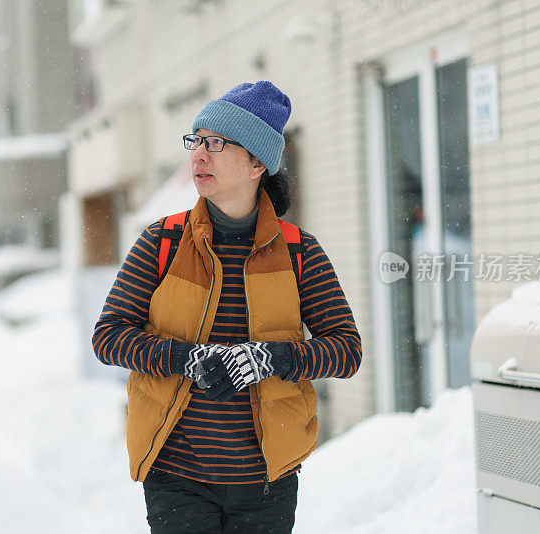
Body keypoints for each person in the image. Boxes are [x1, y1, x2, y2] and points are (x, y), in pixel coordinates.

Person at [92, 81, 362, 534]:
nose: (199, 154)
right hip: (177, 477)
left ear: (257, 162)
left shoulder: (299, 252)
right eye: (195, 141)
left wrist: (273, 358)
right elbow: (109, 336)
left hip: (267, 483)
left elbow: (347, 350)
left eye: (215, 143)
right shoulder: (163, 242)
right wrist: (184, 358)